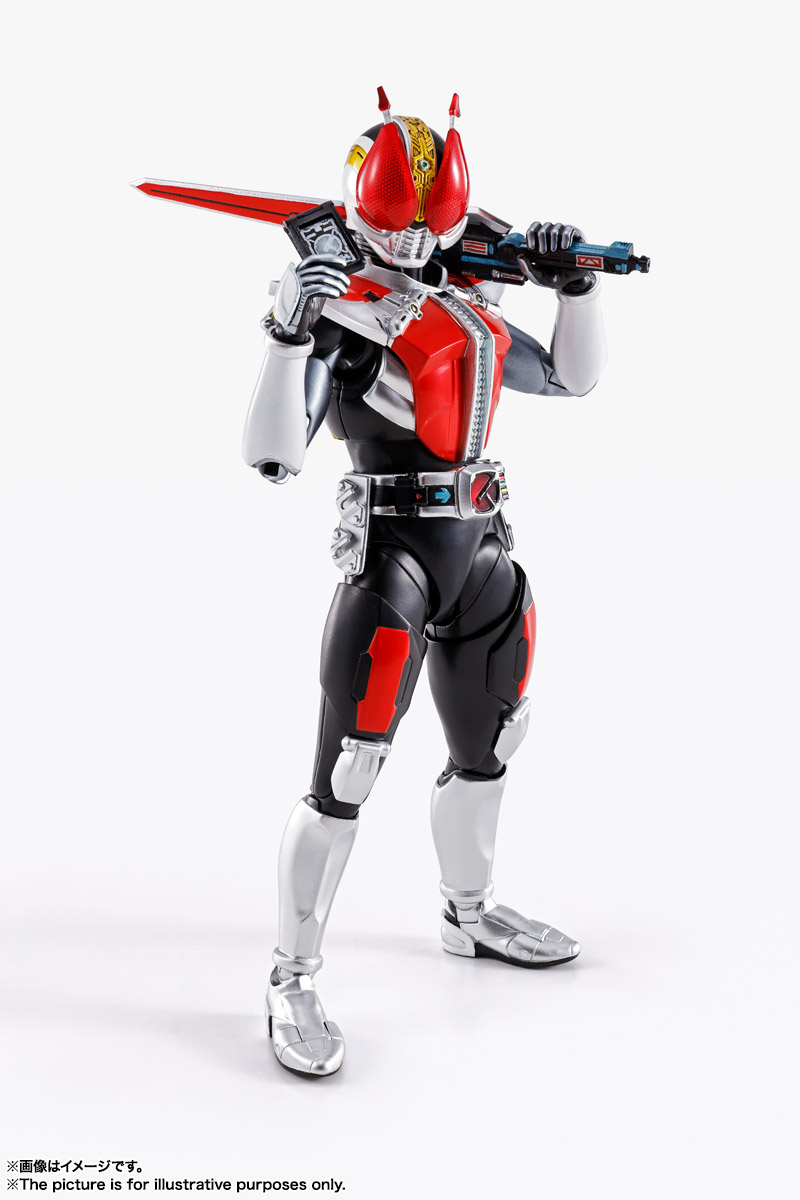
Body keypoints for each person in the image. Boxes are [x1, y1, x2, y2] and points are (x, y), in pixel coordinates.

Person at [243, 89, 608, 1078]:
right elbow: (273, 455)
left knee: (491, 744)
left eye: (427, 227)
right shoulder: (341, 313)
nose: (409, 247)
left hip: (481, 547)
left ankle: (468, 913)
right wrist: (288, 330)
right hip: (392, 558)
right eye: (395, 225)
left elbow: (569, 380)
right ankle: (290, 975)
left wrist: (576, 289)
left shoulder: (468, 304)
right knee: (348, 771)